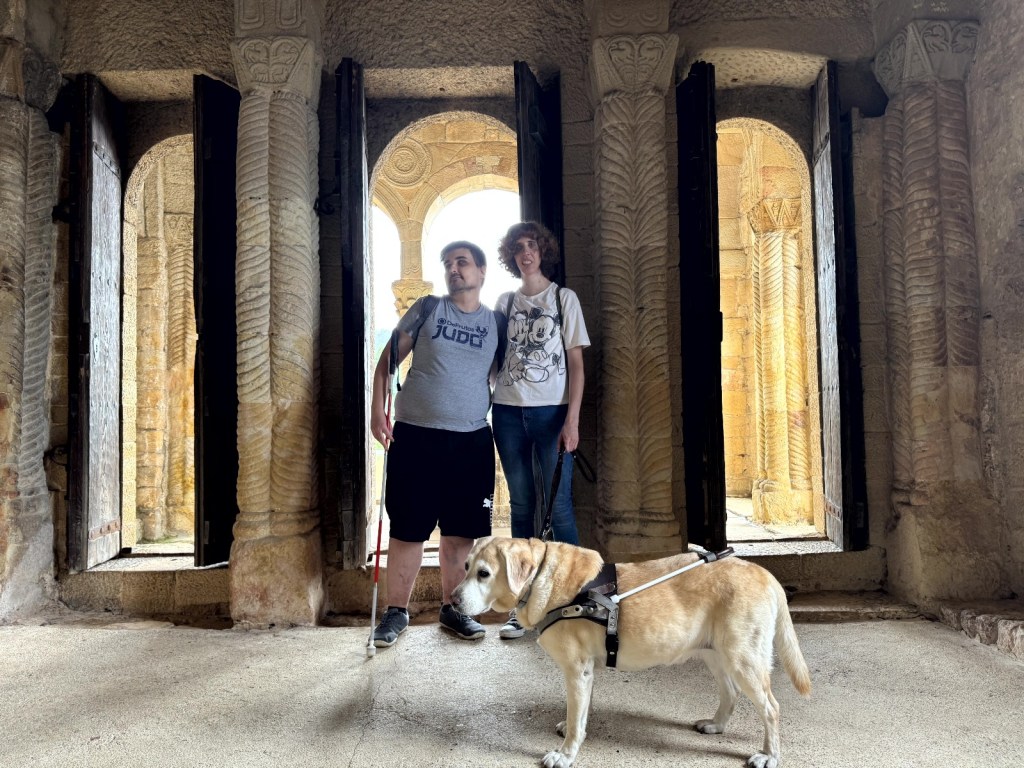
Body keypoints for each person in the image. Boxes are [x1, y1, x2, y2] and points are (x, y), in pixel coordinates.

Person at [369, 241, 499, 649]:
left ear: (481, 272)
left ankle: (454, 609)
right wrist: (377, 410)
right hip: (417, 435)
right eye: (448, 264)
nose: (454, 269)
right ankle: (396, 612)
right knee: (407, 529)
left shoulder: (498, 322)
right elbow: (386, 363)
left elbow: (501, 376)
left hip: (471, 439)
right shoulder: (427, 308)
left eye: (462, 263)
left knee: (461, 535)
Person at [491, 221, 590, 639]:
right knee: (521, 505)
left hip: (552, 413)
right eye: (518, 249)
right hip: (508, 412)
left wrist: (573, 420)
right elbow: (493, 359)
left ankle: (577, 596)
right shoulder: (504, 301)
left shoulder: (564, 299)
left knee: (560, 505)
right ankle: (523, 602)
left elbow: (577, 365)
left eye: (531, 246)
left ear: (542, 251)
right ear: (512, 257)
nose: (525, 254)